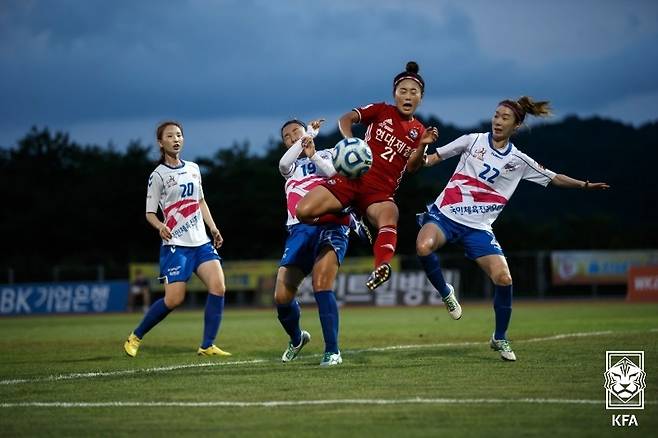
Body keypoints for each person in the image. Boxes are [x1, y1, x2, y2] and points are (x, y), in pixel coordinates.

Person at [416, 96, 609, 361]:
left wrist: (584, 185)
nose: (498, 121)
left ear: (515, 126)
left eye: (505, 118)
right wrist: (420, 148)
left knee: (504, 278)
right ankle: (446, 292)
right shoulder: (471, 140)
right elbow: (425, 162)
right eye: (496, 115)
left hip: (478, 229)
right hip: (445, 216)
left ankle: (500, 338)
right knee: (422, 246)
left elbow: (554, 178)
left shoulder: (519, 161)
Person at [296, 61, 439, 291]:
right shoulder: (382, 110)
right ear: (395, 94)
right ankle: (348, 216)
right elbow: (345, 119)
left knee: (390, 215)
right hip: (352, 178)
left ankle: (381, 265)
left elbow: (412, 167)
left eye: (414, 92)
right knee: (303, 212)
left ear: (421, 98)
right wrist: (350, 141)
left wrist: (422, 145)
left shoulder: (420, 132)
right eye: (403, 91)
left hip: (380, 192)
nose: (408, 96)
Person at [123, 121, 231, 358]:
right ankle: (135, 336)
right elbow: (149, 213)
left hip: (201, 242)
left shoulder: (193, 168)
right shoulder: (158, 175)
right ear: (161, 143)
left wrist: (213, 229)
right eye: (170, 136)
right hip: (176, 245)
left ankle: (207, 345)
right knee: (173, 299)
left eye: (179, 135)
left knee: (218, 287)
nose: (176, 139)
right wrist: (160, 226)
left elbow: (200, 202)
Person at [275, 118, 352, 367]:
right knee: (281, 297)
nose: (291, 137)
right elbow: (284, 161)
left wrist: (314, 153)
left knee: (321, 285)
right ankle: (297, 339)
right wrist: (306, 136)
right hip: (299, 231)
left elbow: (336, 177)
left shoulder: (327, 153)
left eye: (295, 131)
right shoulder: (290, 166)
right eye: (287, 136)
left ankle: (332, 351)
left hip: (331, 224)